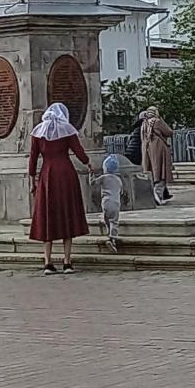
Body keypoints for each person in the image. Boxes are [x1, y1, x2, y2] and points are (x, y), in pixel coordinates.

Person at [29, 102, 93, 275]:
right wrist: (88, 163)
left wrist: (32, 178)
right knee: (67, 213)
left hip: (47, 175)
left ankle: (47, 261)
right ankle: (67, 261)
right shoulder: (67, 130)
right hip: (65, 173)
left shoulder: (38, 132)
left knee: (48, 215)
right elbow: (78, 150)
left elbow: (33, 157)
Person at [141, 105, 174, 206]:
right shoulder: (157, 121)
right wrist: (161, 119)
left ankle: (157, 194)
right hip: (159, 148)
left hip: (147, 149)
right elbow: (169, 132)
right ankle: (157, 194)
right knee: (161, 171)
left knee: (153, 171)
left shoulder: (144, 123)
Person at [89, 154, 123, 252]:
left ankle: (109, 233)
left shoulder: (103, 178)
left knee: (107, 219)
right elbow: (121, 191)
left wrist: (91, 174)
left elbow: (92, 183)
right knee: (114, 221)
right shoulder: (118, 180)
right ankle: (112, 239)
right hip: (115, 203)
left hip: (105, 202)